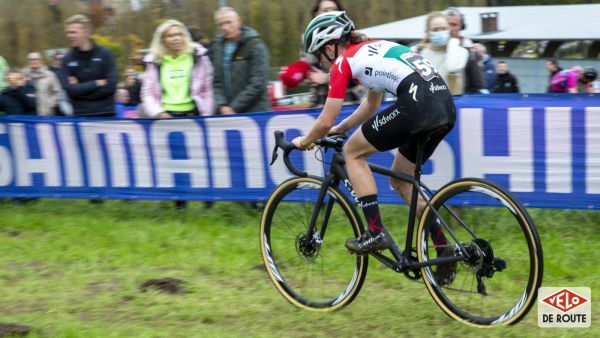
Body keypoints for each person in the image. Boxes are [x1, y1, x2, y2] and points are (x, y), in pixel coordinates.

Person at [297, 11, 456, 282]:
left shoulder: (343, 62)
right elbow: (371, 105)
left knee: (352, 153)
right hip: (444, 106)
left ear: (329, 47)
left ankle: (375, 232)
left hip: (417, 105)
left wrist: (304, 140)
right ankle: (444, 250)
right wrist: (342, 128)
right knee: (402, 183)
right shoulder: (373, 49)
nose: (322, 64)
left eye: (319, 57)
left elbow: (324, 120)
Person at [141, 19, 214, 118]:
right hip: (165, 116)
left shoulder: (198, 56)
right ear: (162, 40)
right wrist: (159, 113)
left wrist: (206, 114)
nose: (176, 38)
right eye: (170, 36)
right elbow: (148, 93)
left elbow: (207, 89)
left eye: (180, 34)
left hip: (195, 115)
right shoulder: (155, 62)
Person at [211, 7, 271, 115]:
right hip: (227, 114)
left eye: (228, 22)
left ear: (239, 21)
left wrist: (234, 107)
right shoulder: (217, 47)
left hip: (255, 112)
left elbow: (258, 83)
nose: (225, 27)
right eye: (220, 24)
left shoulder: (255, 45)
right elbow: (216, 80)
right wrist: (222, 105)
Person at [60, 14, 118, 117]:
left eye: (73, 32)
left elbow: (111, 86)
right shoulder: (67, 59)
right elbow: (69, 90)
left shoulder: (105, 54)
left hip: (105, 113)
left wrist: (80, 89)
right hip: (80, 115)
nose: (69, 36)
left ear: (87, 33)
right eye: (68, 33)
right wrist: (96, 83)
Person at [416, 11, 468, 95]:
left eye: (444, 29)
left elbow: (453, 67)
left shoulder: (460, 52)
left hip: (452, 104)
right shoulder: (418, 53)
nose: (440, 32)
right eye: (435, 29)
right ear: (428, 32)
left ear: (449, 30)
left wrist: (453, 44)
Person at [445, 8, 488, 94]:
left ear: (461, 27)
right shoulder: (433, 50)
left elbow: (479, 86)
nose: (450, 29)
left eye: (454, 25)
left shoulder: (471, 53)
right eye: (448, 24)